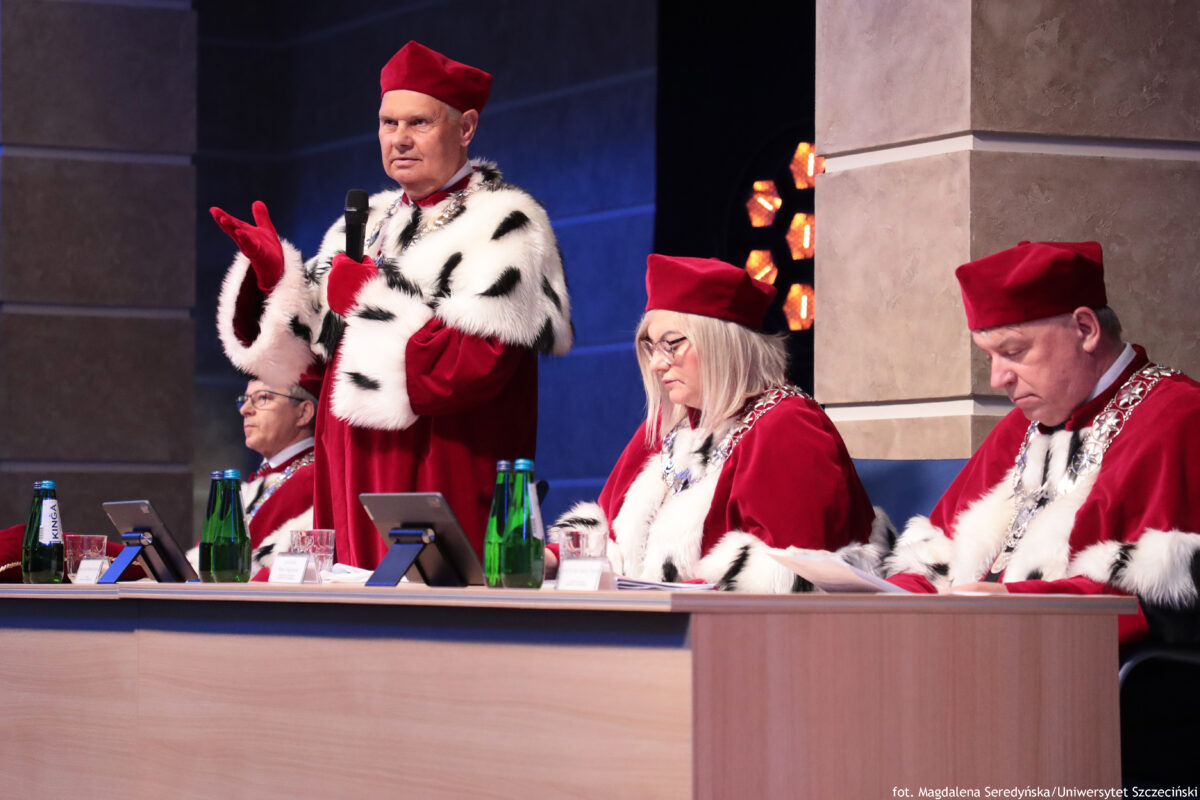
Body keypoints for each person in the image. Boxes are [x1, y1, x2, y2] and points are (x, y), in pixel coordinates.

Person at [209, 41, 572, 568]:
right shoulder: (362, 226)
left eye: (419, 122)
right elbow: (311, 369)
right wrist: (274, 282)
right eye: (388, 123)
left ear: (466, 128)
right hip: (348, 475)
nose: (399, 138)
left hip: (439, 471)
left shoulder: (504, 225)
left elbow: (468, 368)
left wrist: (369, 300)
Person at [884, 240, 1200, 644]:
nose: (997, 379)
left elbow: (1166, 602)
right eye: (989, 358)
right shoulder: (1020, 426)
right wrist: (887, 600)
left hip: (1080, 669)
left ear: (1085, 329)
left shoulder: (1179, 417)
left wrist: (1017, 605)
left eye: (1013, 352)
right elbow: (935, 560)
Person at [551, 254, 884, 591]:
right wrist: (550, 558)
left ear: (723, 344)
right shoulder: (673, 423)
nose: (656, 364)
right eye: (651, 347)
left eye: (671, 344)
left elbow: (790, 579)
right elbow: (604, 530)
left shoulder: (788, 425)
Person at [187, 378, 318, 579]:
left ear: (303, 413)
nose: (245, 410)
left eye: (263, 398)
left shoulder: (314, 479)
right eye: (245, 400)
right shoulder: (260, 480)